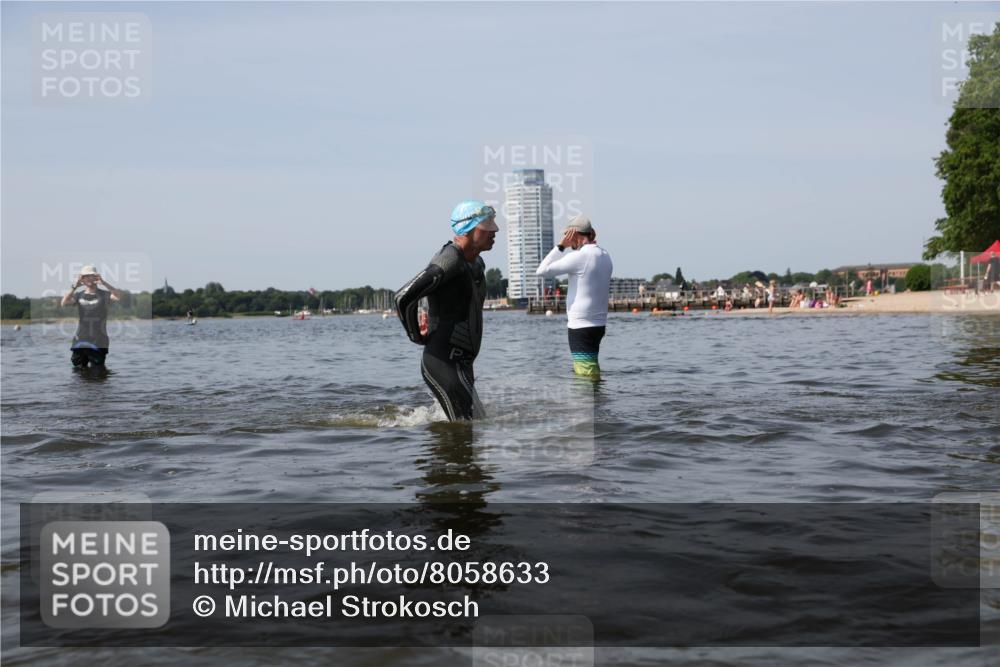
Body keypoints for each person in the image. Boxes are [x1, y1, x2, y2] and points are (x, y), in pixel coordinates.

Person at [395, 200, 498, 421]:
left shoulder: (476, 262)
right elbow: (403, 297)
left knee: (473, 429)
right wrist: (416, 336)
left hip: (463, 364)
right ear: (468, 229)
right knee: (466, 428)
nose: (495, 230)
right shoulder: (450, 260)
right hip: (443, 363)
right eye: (487, 226)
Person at [535, 215, 613, 379]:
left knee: (585, 373)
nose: (566, 240)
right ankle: (598, 402)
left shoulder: (580, 256)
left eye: (566, 236)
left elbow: (541, 270)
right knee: (591, 368)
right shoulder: (605, 255)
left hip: (581, 326)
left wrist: (561, 247)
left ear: (573, 234)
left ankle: (588, 403)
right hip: (598, 324)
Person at [60, 265, 125, 368]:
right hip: (80, 340)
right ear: (82, 279)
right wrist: (75, 286)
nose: (89, 278)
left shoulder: (104, 295)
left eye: (91, 276)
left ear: (96, 277)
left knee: (98, 374)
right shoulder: (78, 295)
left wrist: (104, 283)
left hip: (99, 340)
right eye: (86, 276)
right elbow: (64, 303)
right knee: (78, 373)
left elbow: (118, 296)